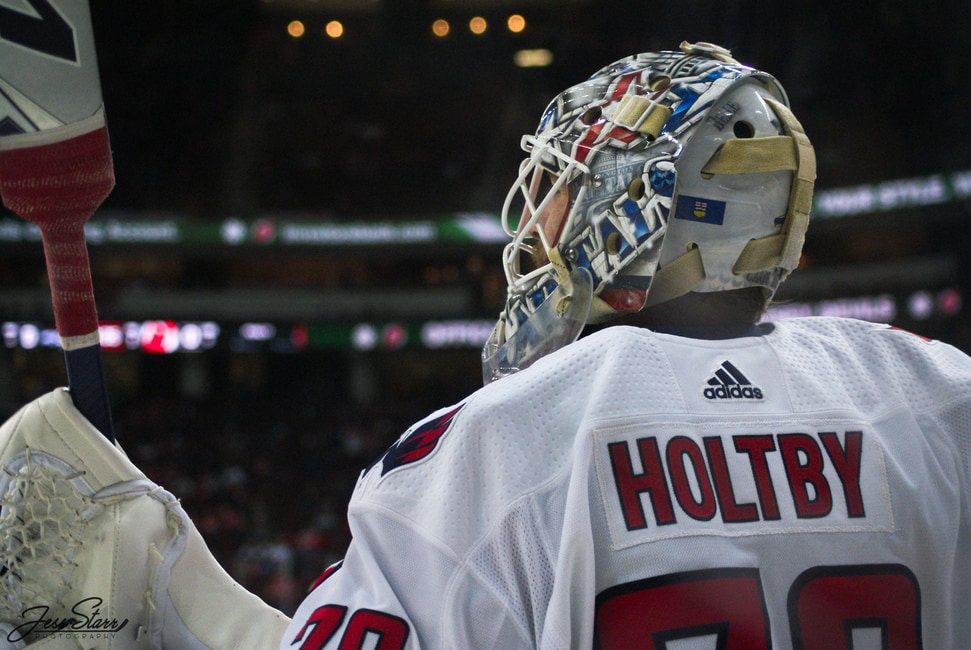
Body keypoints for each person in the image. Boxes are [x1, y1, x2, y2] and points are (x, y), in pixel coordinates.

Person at [1, 40, 970, 649]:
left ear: (633, 215)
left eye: (560, 182)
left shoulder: (506, 440)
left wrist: (161, 603)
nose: (538, 216)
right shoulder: (934, 393)